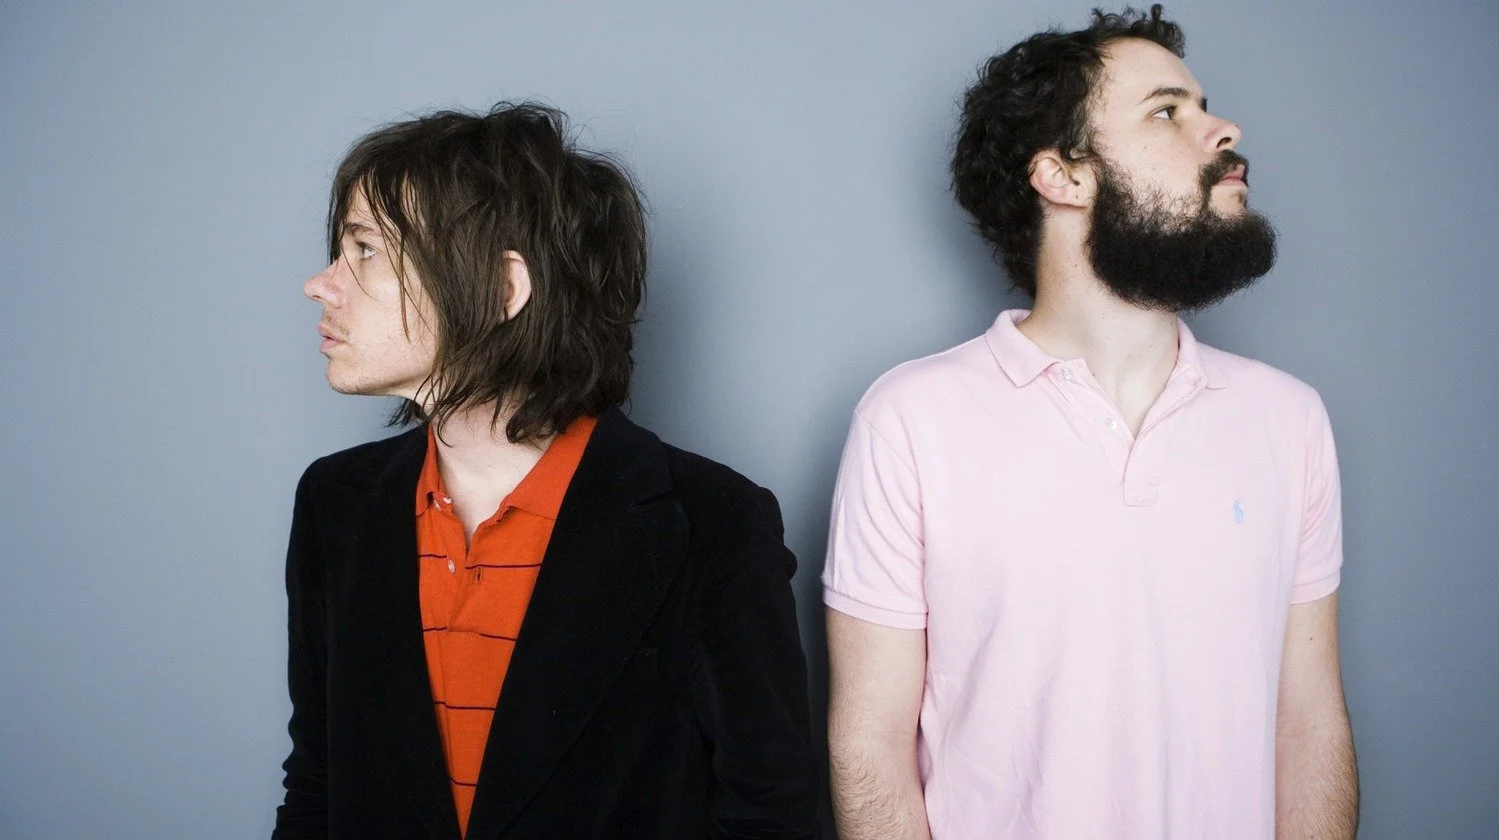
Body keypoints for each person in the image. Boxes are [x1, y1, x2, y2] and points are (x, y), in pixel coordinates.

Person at [823, 7, 1358, 839]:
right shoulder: (910, 421)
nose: (1223, 130)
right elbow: (871, 747)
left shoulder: (1289, 421)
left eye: (1201, 105)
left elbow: (1310, 724)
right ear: (1062, 176)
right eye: (1166, 111)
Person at [273, 102, 819, 840]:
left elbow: (770, 817)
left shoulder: (712, 523)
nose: (320, 284)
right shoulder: (335, 503)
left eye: (365, 250)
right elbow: (317, 786)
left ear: (503, 289)